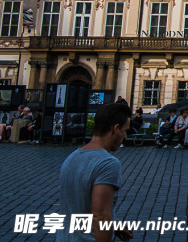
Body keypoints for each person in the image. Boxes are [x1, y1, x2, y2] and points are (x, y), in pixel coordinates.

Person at [56, 102, 133, 242]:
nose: (125, 136)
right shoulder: (108, 163)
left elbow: (79, 209)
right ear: (116, 128)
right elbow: (100, 215)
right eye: (125, 130)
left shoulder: (71, 158)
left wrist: (113, 227)